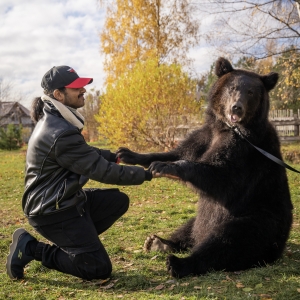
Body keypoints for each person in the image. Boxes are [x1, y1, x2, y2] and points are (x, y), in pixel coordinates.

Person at [6, 65, 153, 281]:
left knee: (117, 201)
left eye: (82, 86)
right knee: (98, 268)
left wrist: (116, 157)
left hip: (66, 201)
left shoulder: (59, 121)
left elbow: (86, 152)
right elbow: (102, 171)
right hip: (51, 212)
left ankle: (78, 244)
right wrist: (148, 174)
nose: (83, 90)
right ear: (58, 94)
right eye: (77, 87)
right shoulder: (59, 132)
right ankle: (31, 248)